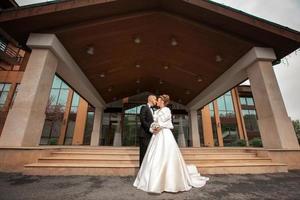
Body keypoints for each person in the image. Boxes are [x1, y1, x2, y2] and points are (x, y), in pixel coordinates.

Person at [133, 94, 209, 193]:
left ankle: (169, 182)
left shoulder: (167, 110)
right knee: (154, 156)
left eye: (159, 100)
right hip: (156, 135)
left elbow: (168, 123)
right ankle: (151, 180)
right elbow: (152, 122)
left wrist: (159, 126)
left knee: (166, 154)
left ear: (163, 102)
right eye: (157, 100)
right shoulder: (156, 111)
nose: (158, 101)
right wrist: (153, 128)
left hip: (165, 134)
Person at [139, 94, 157, 167]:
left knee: (149, 153)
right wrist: (150, 128)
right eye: (155, 99)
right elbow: (142, 120)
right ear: (151, 99)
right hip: (144, 134)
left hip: (151, 135)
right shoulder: (144, 107)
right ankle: (141, 171)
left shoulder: (152, 110)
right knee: (143, 154)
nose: (156, 101)